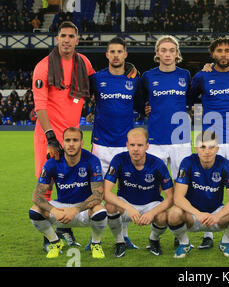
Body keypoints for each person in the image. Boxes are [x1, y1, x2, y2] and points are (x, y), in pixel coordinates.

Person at [32, 21, 95, 250]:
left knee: (70, 184)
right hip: (48, 135)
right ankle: (49, 238)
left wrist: (124, 69)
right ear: (57, 38)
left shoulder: (84, 63)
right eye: (62, 36)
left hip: (72, 135)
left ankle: (64, 230)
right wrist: (50, 137)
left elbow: (97, 85)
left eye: (71, 36)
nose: (66, 40)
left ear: (77, 40)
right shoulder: (44, 66)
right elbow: (40, 105)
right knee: (46, 185)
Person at [190, 37, 229, 249]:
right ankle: (208, 235)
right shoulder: (203, 76)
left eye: (227, 50)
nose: (223, 54)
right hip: (210, 140)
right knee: (210, 184)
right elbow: (187, 99)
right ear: (213, 54)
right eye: (219, 51)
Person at [89, 36, 140, 249]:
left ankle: (124, 237)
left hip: (125, 146)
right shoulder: (96, 78)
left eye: (120, 51)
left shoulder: (136, 79)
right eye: (112, 51)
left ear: (125, 54)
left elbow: (143, 102)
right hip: (101, 144)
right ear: (107, 55)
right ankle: (95, 240)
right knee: (97, 194)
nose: (116, 55)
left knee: (124, 194)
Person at [168, 131, 229, 258]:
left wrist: (218, 215)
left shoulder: (225, 164)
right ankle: (184, 243)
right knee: (174, 213)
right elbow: (178, 198)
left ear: (217, 148)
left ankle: (226, 242)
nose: (207, 151)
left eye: (211, 147)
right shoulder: (188, 162)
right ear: (196, 148)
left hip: (216, 215)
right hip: (193, 215)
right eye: (203, 147)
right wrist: (198, 213)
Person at [28, 127, 107, 259]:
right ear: (62, 143)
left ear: (81, 143)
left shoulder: (92, 160)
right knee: (35, 210)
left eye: (75, 140)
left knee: (100, 210)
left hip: (83, 209)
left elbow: (98, 196)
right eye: (68, 140)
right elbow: (36, 196)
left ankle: (95, 243)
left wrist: (75, 210)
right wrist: (54, 210)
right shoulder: (52, 163)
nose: (71, 144)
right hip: (61, 208)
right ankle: (54, 242)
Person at [103, 128, 174, 257]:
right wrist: (128, 208)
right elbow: (106, 193)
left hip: (151, 204)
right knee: (109, 205)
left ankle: (154, 240)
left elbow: (171, 198)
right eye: (132, 145)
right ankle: (120, 241)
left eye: (140, 145)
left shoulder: (158, 164)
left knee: (163, 216)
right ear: (127, 145)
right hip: (126, 204)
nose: (135, 149)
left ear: (147, 146)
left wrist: (152, 212)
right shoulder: (118, 160)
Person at [135, 35, 192, 183]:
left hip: (181, 139)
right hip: (156, 138)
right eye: (164, 50)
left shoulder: (185, 75)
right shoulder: (148, 76)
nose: (167, 54)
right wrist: (144, 109)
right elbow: (137, 100)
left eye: (172, 50)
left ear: (177, 53)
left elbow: (193, 99)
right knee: (154, 183)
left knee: (181, 183)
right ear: (157, 53)